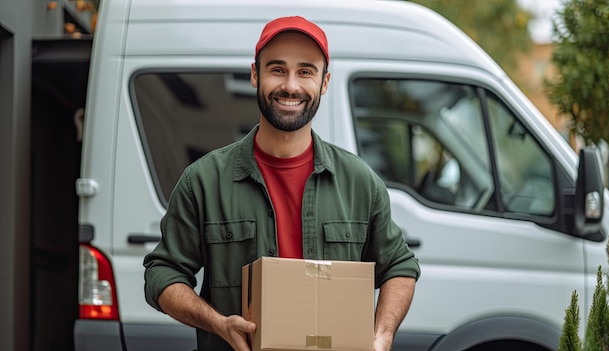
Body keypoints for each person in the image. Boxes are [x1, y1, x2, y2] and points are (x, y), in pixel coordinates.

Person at [143, 15, 420, 351]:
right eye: (277, 69)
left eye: (306, 71)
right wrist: (217, 323)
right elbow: (162, 274)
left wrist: (382, 335)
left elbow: (400, 266)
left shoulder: (361, 183)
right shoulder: (202, 181)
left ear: (325, 82)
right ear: (255, 74)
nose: (291, 85)